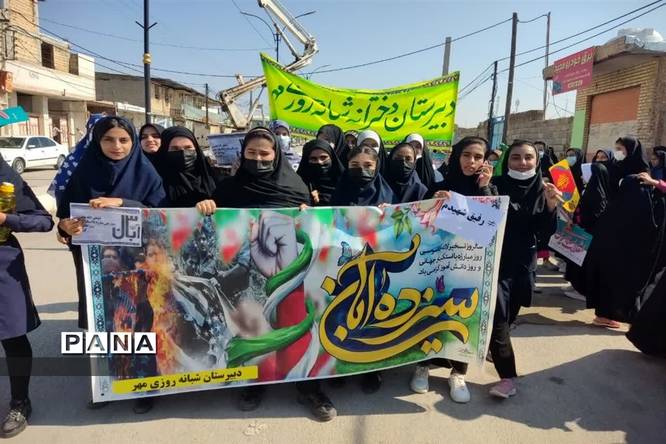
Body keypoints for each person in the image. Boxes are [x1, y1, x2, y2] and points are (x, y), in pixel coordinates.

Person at [196, 128, 336, 422]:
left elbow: (313, 227)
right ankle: (253, 385)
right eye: (251, 153)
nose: (258, 159)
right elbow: (214, 224)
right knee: (253, 332)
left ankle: (309, 388)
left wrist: (308, 211)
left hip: (290, 277)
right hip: (248, 279)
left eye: (264, 153)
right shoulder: (228, 189)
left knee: (297, 330)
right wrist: (206, 206)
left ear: (276, 155)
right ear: (242, 154)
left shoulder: (295, 187)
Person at [56, 116, 168, 414]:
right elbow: (64, 217)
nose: (116, 146)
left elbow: (161, 213)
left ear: (133, 143)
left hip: (137, 264)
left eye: (123, 140)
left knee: (138, 319)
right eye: (108, 139)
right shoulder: (84, 173)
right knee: (101, 319)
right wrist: (65, 226)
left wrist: (123, 203)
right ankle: (103, 383)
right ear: (97, 142)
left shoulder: (146, 174)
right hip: (96, 264)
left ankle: (142, 385)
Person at [410, 136, 495, 403]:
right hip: (437, 265)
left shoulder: (490, 191)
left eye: (478, 157)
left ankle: (458, 373)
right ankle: (423, 365)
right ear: (456, 157)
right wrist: (433, 203)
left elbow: (492, 228)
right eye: (466, 155)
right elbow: (419, 224)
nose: (471, 162)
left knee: (464, 316)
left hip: (471, 267)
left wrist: (484, 189)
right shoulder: (439, 187)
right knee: (430, 312)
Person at [489, 140, 561, 399]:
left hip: (523, 264)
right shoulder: (495, 185)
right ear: (507, 160)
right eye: (516, 157)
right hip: (496, 262)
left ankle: (494, 346)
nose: (522, 163)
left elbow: (545, 233)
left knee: (510, 315)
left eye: (528, 157)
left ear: (537, 161)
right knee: (498, 318)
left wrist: (551, 207)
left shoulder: (544, 190)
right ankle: (507, 377)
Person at [0, 159, 54, 438]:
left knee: (12, 335)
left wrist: (6, 219)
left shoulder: (5, 178)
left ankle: (20, 402)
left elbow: (43, 221)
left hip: (3, 267)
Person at [584, 136, 654, 328]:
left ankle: (613, 314)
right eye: (616, 148)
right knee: (611, 272)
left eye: (621, 149)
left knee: (623, 274)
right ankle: (605, 314)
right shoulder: (614, 169)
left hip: (629, 233)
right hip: (613, 230)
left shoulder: (643, 175)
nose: (618, 152)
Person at [152, 126, 217, 207]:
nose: (182, 153)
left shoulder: (210, 177)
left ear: (196, 149)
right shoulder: (155, 181)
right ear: (164, 150)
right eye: (175, 149)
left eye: (188, 147)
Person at [331, 145, 396, 207]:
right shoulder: (339, 193)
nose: (361, 170)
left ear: (376, 167)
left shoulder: (387, 197)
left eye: (368, 165)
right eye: (355, 165)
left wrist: (390, 211)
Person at [296, 138, 344, 206]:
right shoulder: (299, 183)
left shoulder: (345, 181)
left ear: (331, 158)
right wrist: (307, 199)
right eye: (313, 159)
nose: (319, 162)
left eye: (323, 157)